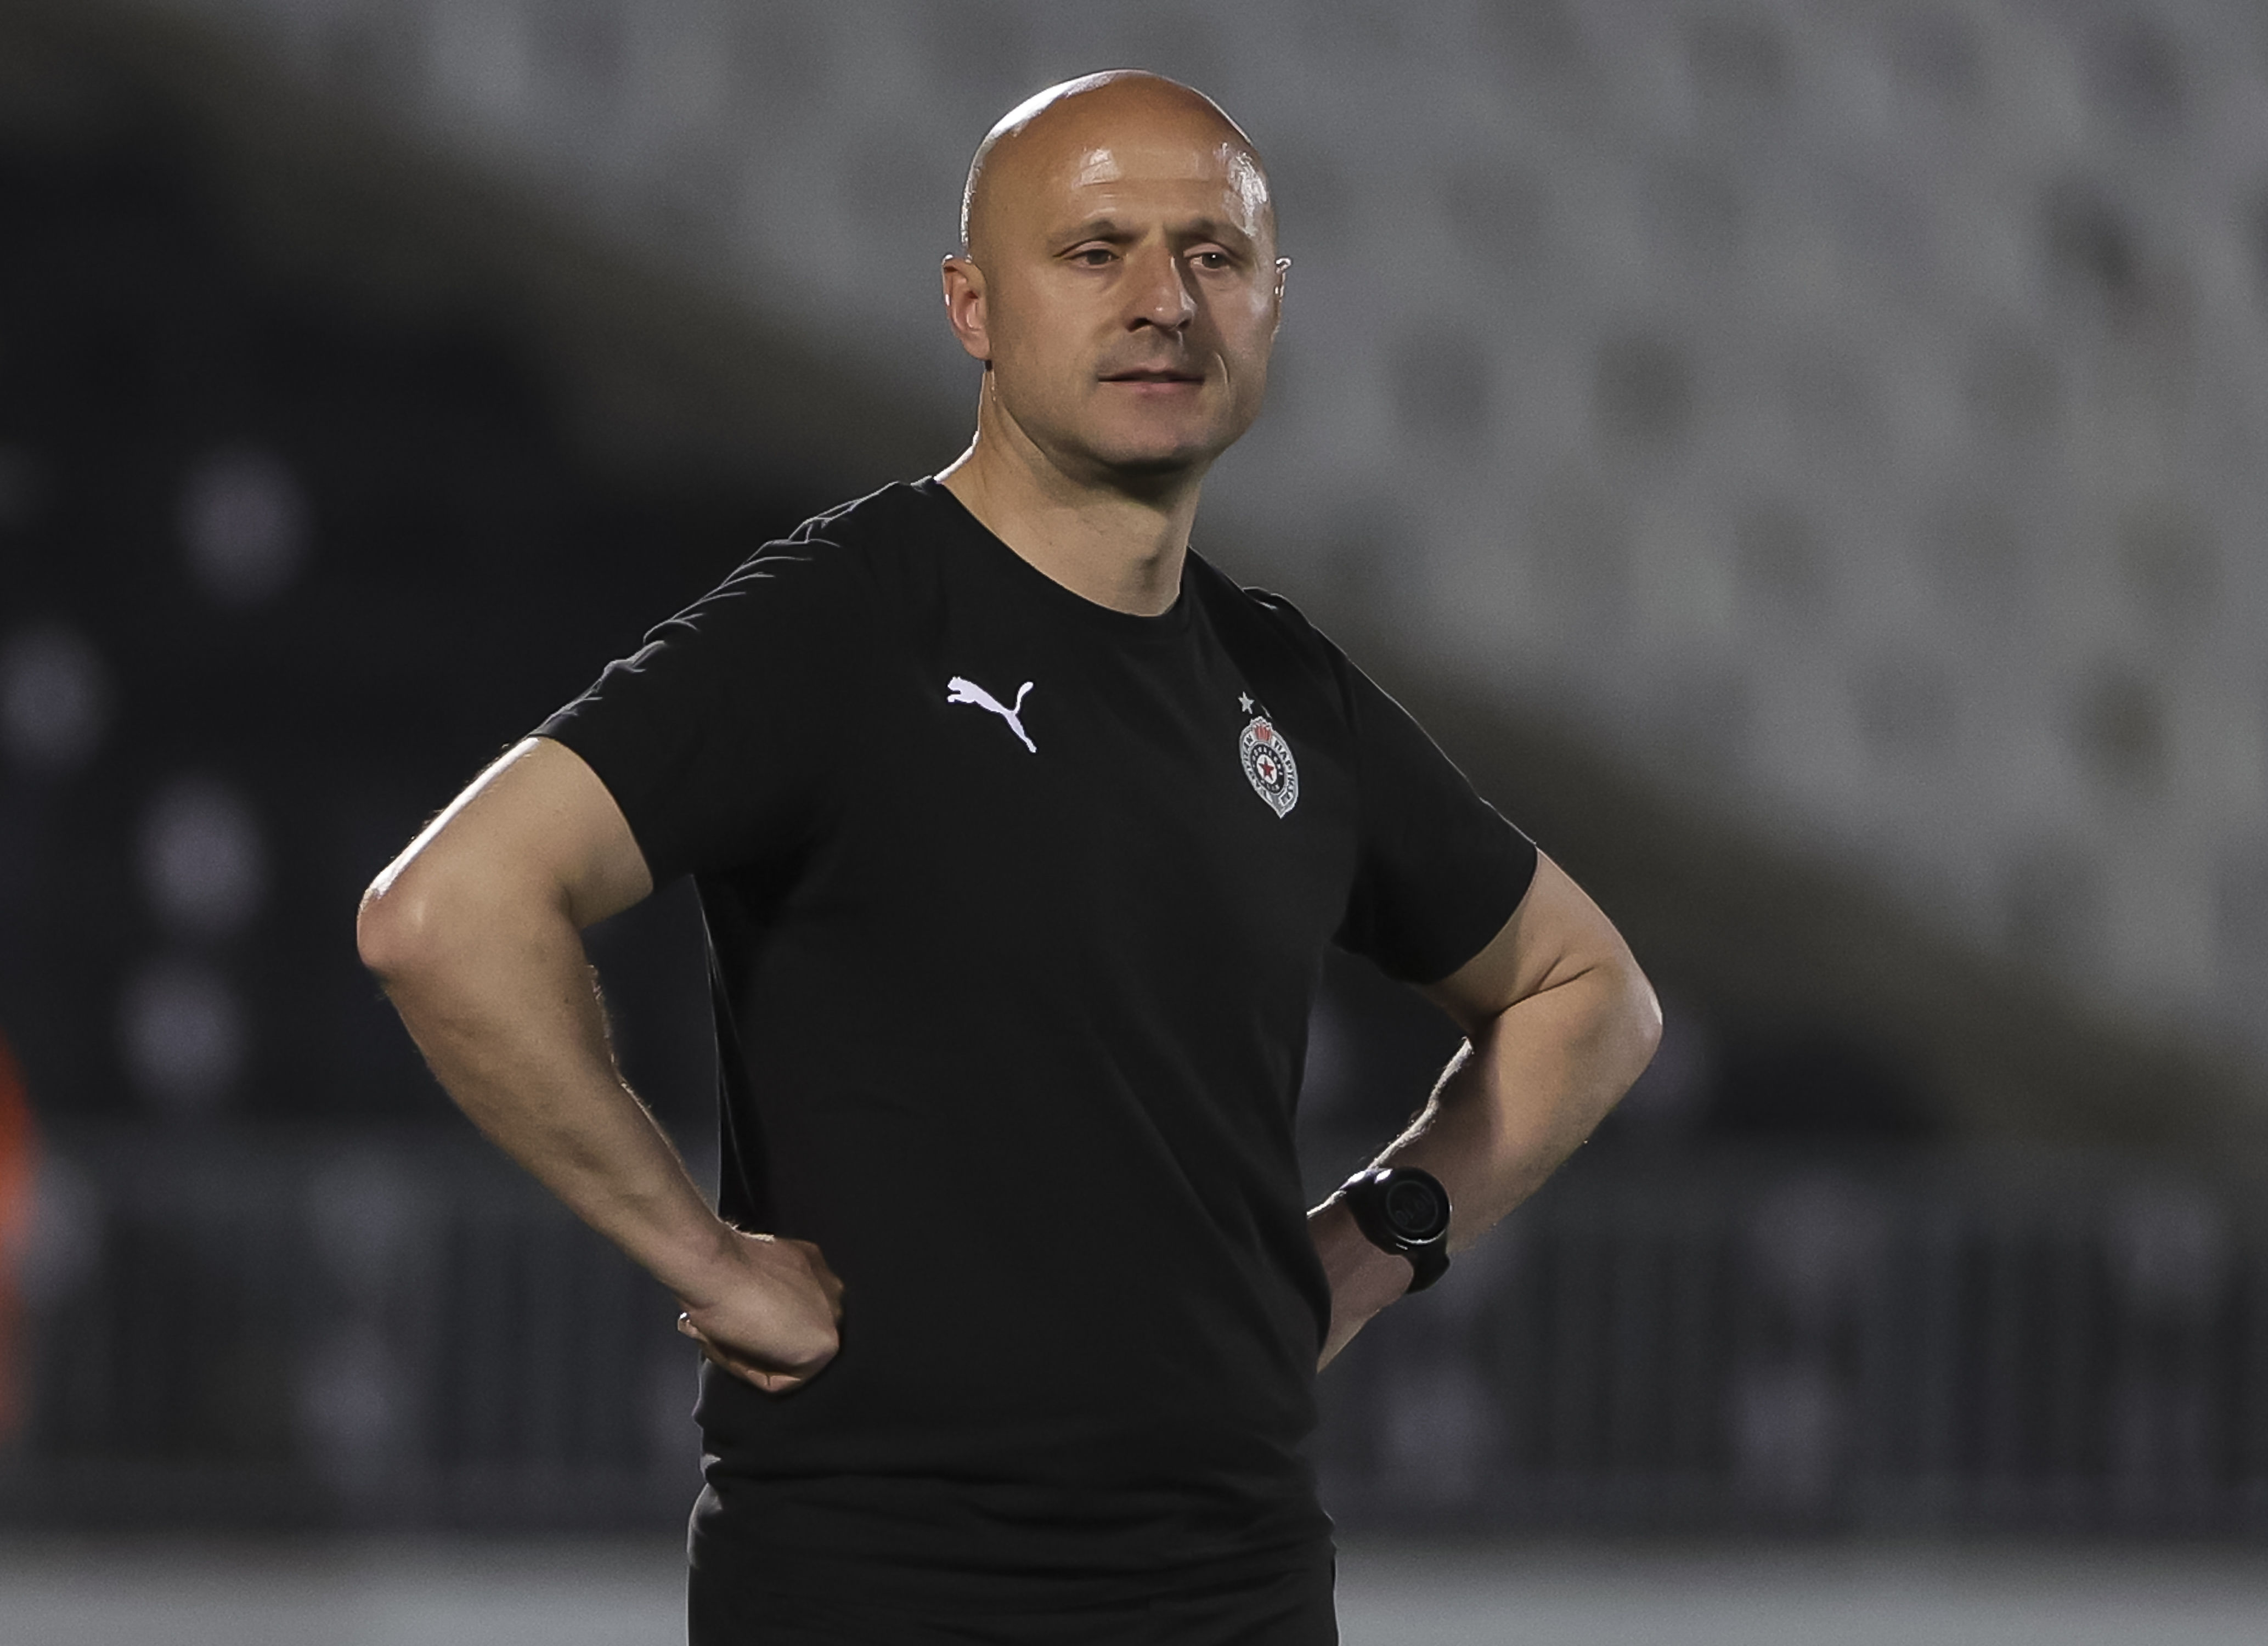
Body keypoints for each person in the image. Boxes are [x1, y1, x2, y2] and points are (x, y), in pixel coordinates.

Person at [357, 70, 1659, 1645]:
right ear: (974, 306)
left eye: (1215, 256)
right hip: (884, 1581)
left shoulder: (1284, 687)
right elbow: (446, 914)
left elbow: (1592, 993)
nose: (1165, 300)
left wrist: (1378, 1244)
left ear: (1273, 303)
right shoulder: (851, 618)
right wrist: (699, 1253)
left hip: (1235, 1579)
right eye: (1096, 249)